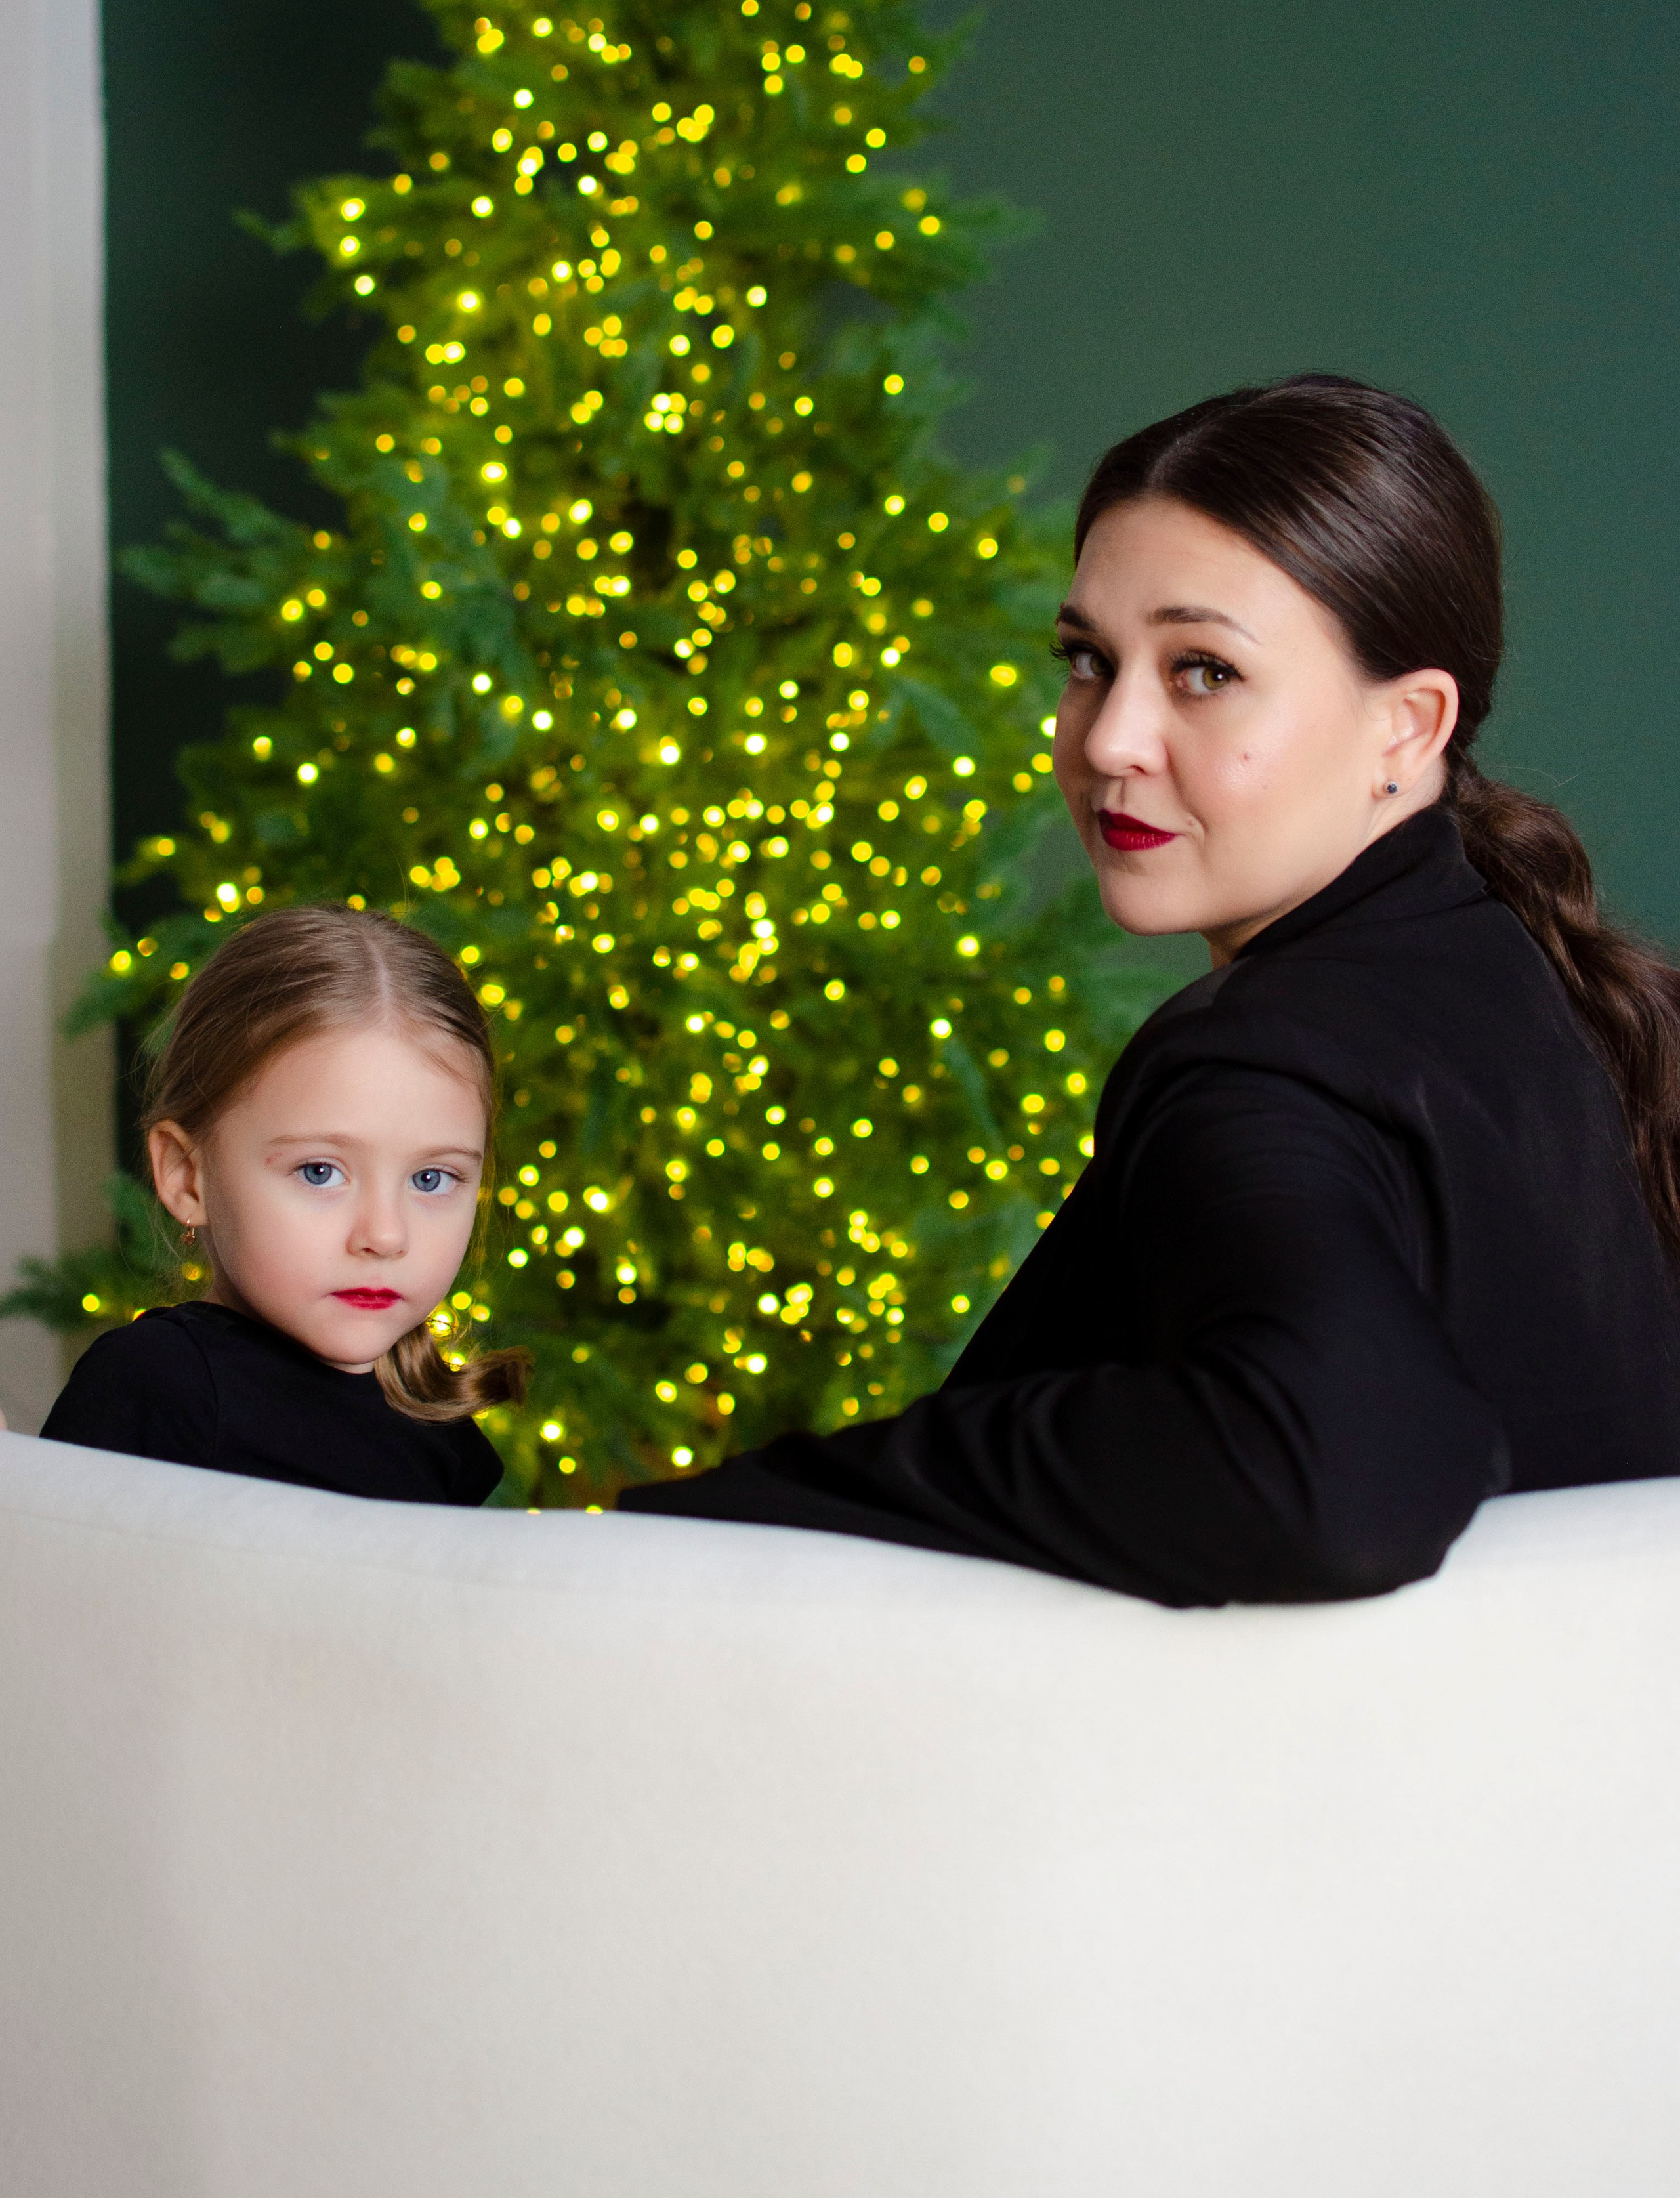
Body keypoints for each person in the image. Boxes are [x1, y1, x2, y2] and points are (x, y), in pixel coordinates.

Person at [620, 373, 1680, 1602]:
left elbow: (1348, 1473)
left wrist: (729, 1515)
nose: (1109, 738)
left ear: (1408, 727)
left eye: (1204, 672)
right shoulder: (1519, 986)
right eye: (1089, 659)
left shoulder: (1265, 1059)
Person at [42, 906, 528, 1502]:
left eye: (431, 1178)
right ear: (187, 1175)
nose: (385, 1234)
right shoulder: (159, 1384)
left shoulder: (441, 1434)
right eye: (320, 1172)